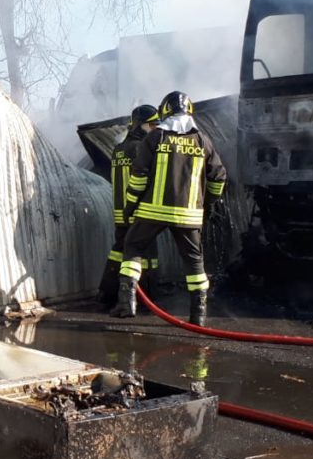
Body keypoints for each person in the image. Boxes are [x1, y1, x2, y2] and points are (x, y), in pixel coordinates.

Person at [112, 91, 226, 324]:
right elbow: (219, 178)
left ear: (165, 111)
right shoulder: (203, 141)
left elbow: (139, 177)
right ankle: (199, 315)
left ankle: (127, 303)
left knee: (132, 246)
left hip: (152, 212)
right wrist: (208, 205)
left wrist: (130, 206)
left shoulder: (155, 138)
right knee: (194, 261)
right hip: (188, 215)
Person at [97, 104, 167, 308]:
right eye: (152, 125)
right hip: (139, 212)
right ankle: (148, 295)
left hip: (121, 212)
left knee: (119, 250)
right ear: (139, 125)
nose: (155, 129)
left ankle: (106, 293)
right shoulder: (142, 149)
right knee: (146, 256)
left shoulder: (118, 150)